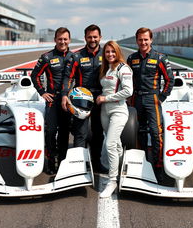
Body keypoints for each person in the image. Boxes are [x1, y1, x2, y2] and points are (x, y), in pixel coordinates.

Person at [127, 27, 174, 182]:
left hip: (152, 99)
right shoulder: (131, 58)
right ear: (137, 41)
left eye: (146, 39)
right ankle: (141, 162)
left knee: (155, 132)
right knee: (137, 132)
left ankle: (158, 166)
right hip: (136, 100)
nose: (143, 42)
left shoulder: (160, 58)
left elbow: (169, 80)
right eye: (140, 40)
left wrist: (161, 97)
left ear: (151, 40)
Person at [62, 24, 104, 172]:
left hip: (100, 99)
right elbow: (68, 77)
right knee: (80, 134)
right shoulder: (77, 56)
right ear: (85, 38)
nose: (92, 39)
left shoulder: (107, 54)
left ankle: (96, 163)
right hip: (81, 99)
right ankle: (78, 166)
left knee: (98, 133)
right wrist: (64, 95)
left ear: (100, 37)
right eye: (89, 37)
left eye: (95, 37)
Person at [31, 27, 72, 175]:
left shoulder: (74, 57)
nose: (62, 42)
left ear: (69, 40)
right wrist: (42, 92)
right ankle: (51, 160)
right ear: (55, 40)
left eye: (65, 39)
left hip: (68, 100)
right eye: (60, 39)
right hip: (53, 100)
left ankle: (63, 161)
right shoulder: (47, 57)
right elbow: (34, 75)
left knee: (64, 132)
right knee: (50, 131)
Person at [96, 41, 133, 198]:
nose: (110, 54)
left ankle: (112, 181)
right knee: (116, 145)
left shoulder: (123, 68)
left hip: (118, 110)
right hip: (105, 111)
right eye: (107, 52)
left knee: (110, 143)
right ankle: (121, 173)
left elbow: (128, 91)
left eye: (113, 51)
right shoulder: (105, 68)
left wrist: (106, 98)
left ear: (118, 52)